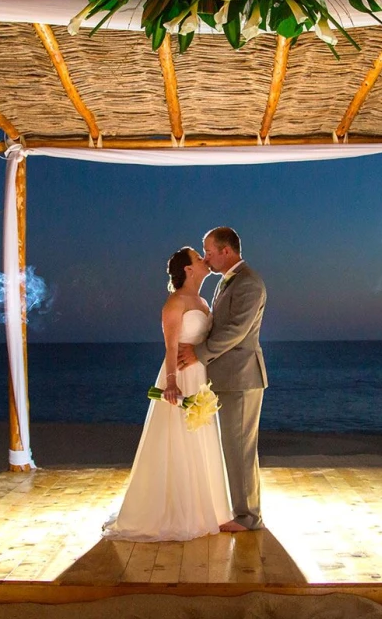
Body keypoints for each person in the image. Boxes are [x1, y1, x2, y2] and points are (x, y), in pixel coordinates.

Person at [102, 247, 233, 541]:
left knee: (201, 436)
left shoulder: (201, 300)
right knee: (178, 437)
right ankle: (177, 511)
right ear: (188, 269)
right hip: (182, 373)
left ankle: (205, 508)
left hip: (200, 376)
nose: (204, 260)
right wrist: (171, 383)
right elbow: (171, 346)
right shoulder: (174, 303)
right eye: (198, 258)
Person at [179, 227, 267, 531]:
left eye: (209, 251)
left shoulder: (249, 283)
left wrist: (199, 354)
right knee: (231, 446)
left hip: (241, 378)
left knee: (240, 447)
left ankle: (248, 517)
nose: (206, 257)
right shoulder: (226, 283)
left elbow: (236, 331)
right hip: (226, 377)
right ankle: (237, 509)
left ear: (226, 251)